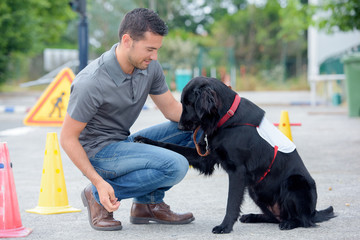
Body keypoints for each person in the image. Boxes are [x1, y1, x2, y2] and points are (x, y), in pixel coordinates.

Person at [60, 8, 196, 231]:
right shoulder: (91, 82)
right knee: (175, 165)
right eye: (150, 49)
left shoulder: (149, 67)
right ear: (127, 41)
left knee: (193, 130)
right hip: (98, 152)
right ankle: (95, 194)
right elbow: (67, 138)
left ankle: (147, 205)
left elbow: (172, 110)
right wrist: (98, 182)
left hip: (123, 143)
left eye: (157, 50)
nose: (154, 57)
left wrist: (217, 118)